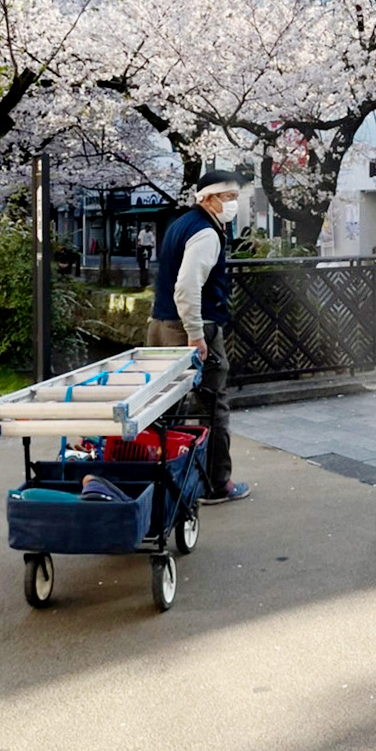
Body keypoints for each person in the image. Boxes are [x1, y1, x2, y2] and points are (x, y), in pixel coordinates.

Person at [147, 170, 250, 503]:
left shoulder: (180, 224)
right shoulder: (206, 232)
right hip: (193, 327)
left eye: (235, 197)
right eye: (228, 197)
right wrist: (196, 334)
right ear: (207, 197)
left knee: (164, 408)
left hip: (160, 324)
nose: (233, 204)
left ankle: (160, 483)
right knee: (212, 404)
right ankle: (216, 483)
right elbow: (187, 286)